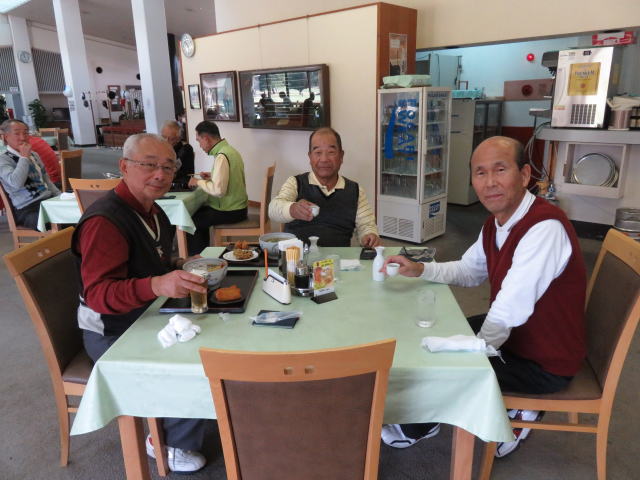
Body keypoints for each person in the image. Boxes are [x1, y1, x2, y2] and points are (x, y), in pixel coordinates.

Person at [381, 136, 587, 457]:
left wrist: (470, 361)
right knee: (431, 337)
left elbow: (507, 311)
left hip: (543, 361)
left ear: (524, 175)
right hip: (518, 337)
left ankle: (426, 421)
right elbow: (469, 270)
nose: (489, 182)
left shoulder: (544, 228)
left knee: (441, 363)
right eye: (480, 172)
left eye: (500, 170)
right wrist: (421, 269)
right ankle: (431, 411)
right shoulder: (496, 223)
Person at [72, 133, 208, 473]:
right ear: (124, 167)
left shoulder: (153, 210)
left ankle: (188, 417)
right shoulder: (105, 221)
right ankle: (168, 444)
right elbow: (99, 295)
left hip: (145, 314)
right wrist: (158, 284)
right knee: (191, 359)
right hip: (110, 331)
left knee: (213, 331)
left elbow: (150, 261)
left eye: (168, 167)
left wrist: (178, 265)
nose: (160, 175)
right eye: (148, 165)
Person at [269, 126, 380, 247]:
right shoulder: (296, 183)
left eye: (331, 152)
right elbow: (273, 209)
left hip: (338, 256)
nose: (324, 159)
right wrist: (293, 209)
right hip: (298, 255)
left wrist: (369, 235)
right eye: (318, 152)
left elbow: (366, 225)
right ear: (310, 157)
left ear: (341, 156)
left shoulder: (355, 190)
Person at [187, 121, 248, 255]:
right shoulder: (230, 150)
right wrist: (212, 176)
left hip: (231, 211)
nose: (200, 145)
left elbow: (219, 191)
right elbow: (231, 177)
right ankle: (203, 254)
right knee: (197, 213)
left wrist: (198, 182)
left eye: (199, 141)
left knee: (192, 221)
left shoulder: (222, 156)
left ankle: (199, 259)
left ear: (206, 138)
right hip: (239, 207)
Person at [0, 119, 60, 229]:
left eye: (26, 133)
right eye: (17, 133)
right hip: (27, 208)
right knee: (61, 220)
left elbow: (46, 178)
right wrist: (24, 157)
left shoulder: (34, 154)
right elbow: (15, 183)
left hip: (47, 200)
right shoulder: (3, 159)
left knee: (77, 211)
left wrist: (59, 196)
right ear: (6, 137)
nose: (23, 137)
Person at [161, 120, 194, 189]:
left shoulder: (186, 149)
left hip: (179, 186)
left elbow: (186, 173)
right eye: (164, 137)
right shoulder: (158, 148)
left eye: (171, 139)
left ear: (178, 138)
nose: (166, 141)